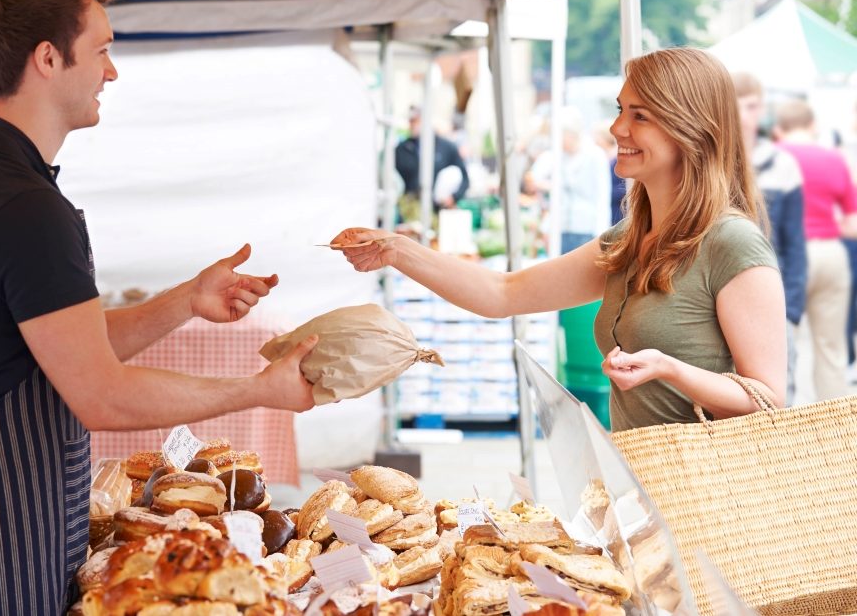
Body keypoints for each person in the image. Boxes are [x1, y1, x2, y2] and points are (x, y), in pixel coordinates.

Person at [0, 0, 318, 614]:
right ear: (47, 58)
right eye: (101, 50)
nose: (111, 70)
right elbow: (101, 392)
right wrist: (258, 389)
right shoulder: (20, 204)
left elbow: (65, 347)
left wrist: (186, 300)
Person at [333, 47, 786, 431]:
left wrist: (670, 370)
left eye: (640, 115)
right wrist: (395, 249)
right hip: (643, 488)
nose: (617, 129)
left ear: (691, 128)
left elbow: (769, 400)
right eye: (620, 109)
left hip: (709, 504)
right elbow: (503, 293)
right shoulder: (628, 240)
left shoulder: (731, 242)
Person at [773, 98, 857, 401]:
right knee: (831, 349)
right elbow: (852, 222)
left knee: (779, 347)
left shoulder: (774, 157)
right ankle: (833, 431)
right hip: (831, 254)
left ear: (779, 130)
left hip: (785, 258)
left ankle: (781, 427)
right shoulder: (835, 159)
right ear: (813, 125)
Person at [731, 73, 806, 405]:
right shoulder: (713, 163)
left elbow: (794, 239)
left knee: (775, 397)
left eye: (758, 106)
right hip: (725, 295)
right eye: (747, 105)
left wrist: (791, 308)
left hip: (773, 295)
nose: (755, 114)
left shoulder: (783, 164)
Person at [529, 107, 612, 253]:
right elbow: (535, 177)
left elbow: (602, 197)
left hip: (586, 229)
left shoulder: (595, 155)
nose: (557, 140)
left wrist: (601, 234)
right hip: (559, 228)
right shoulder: (554, 156)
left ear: (571, 134)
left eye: (560, 135)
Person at [395, 106, 469, 211]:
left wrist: (453, 197)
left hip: (438, 210)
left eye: (416, 121)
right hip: (410, 209)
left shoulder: (447, 147)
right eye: (410, 121)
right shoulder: (402, 149)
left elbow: (464, 178)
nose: (412, 125)